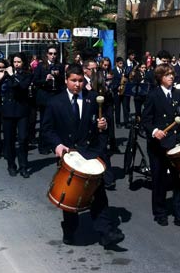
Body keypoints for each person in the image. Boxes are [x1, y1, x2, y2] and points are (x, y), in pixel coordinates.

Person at [42, 64, 124, 248]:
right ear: (66, 80)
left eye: (80, 80)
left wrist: (103, 125)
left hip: (90, 152)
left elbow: (103, 124)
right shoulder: (55, 102)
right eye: (73, 80)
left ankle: (106, 232)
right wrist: (56, 144)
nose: (77, 84)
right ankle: (70, 229)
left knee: (98, 193)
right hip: (68, 154)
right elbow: (47, 129)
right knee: (70, 194)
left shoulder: (93, 98)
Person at [141, 64, 180, 229]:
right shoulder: (153, 95)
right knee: (159, 179)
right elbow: (146, 119)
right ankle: (160, 212)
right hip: (158, 144)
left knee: (179, 179)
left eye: (172, 74)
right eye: (167, 75)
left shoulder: (178, 93)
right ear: (160, 78)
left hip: (176, 142)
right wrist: (155, 131)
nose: (171, 77)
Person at [0, 53, 32, 178]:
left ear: (23, 62)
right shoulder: (6, 74)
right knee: (9, 139)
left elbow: (22, 87)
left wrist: (13, 75)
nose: (16, 64)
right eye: (15, 62)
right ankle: (11, 165)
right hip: (8, 110)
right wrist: (1, 77)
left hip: (22, 110)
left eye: (19, 62)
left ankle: (24, 166)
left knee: (23, 139)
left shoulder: (27, 74)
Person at [32, 46, 65, 153]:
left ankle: (54, 145)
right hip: (45, 98)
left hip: (56, 97)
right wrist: (45, 80)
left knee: (56, 123)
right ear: (47, 54)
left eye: (55, 54)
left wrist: (59, 76)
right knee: (44, 123)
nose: (53, 56)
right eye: (50, 53)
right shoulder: (41, 66)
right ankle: (43, 146)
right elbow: (35, 81)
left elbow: (63, 81)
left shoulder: (59, 66)